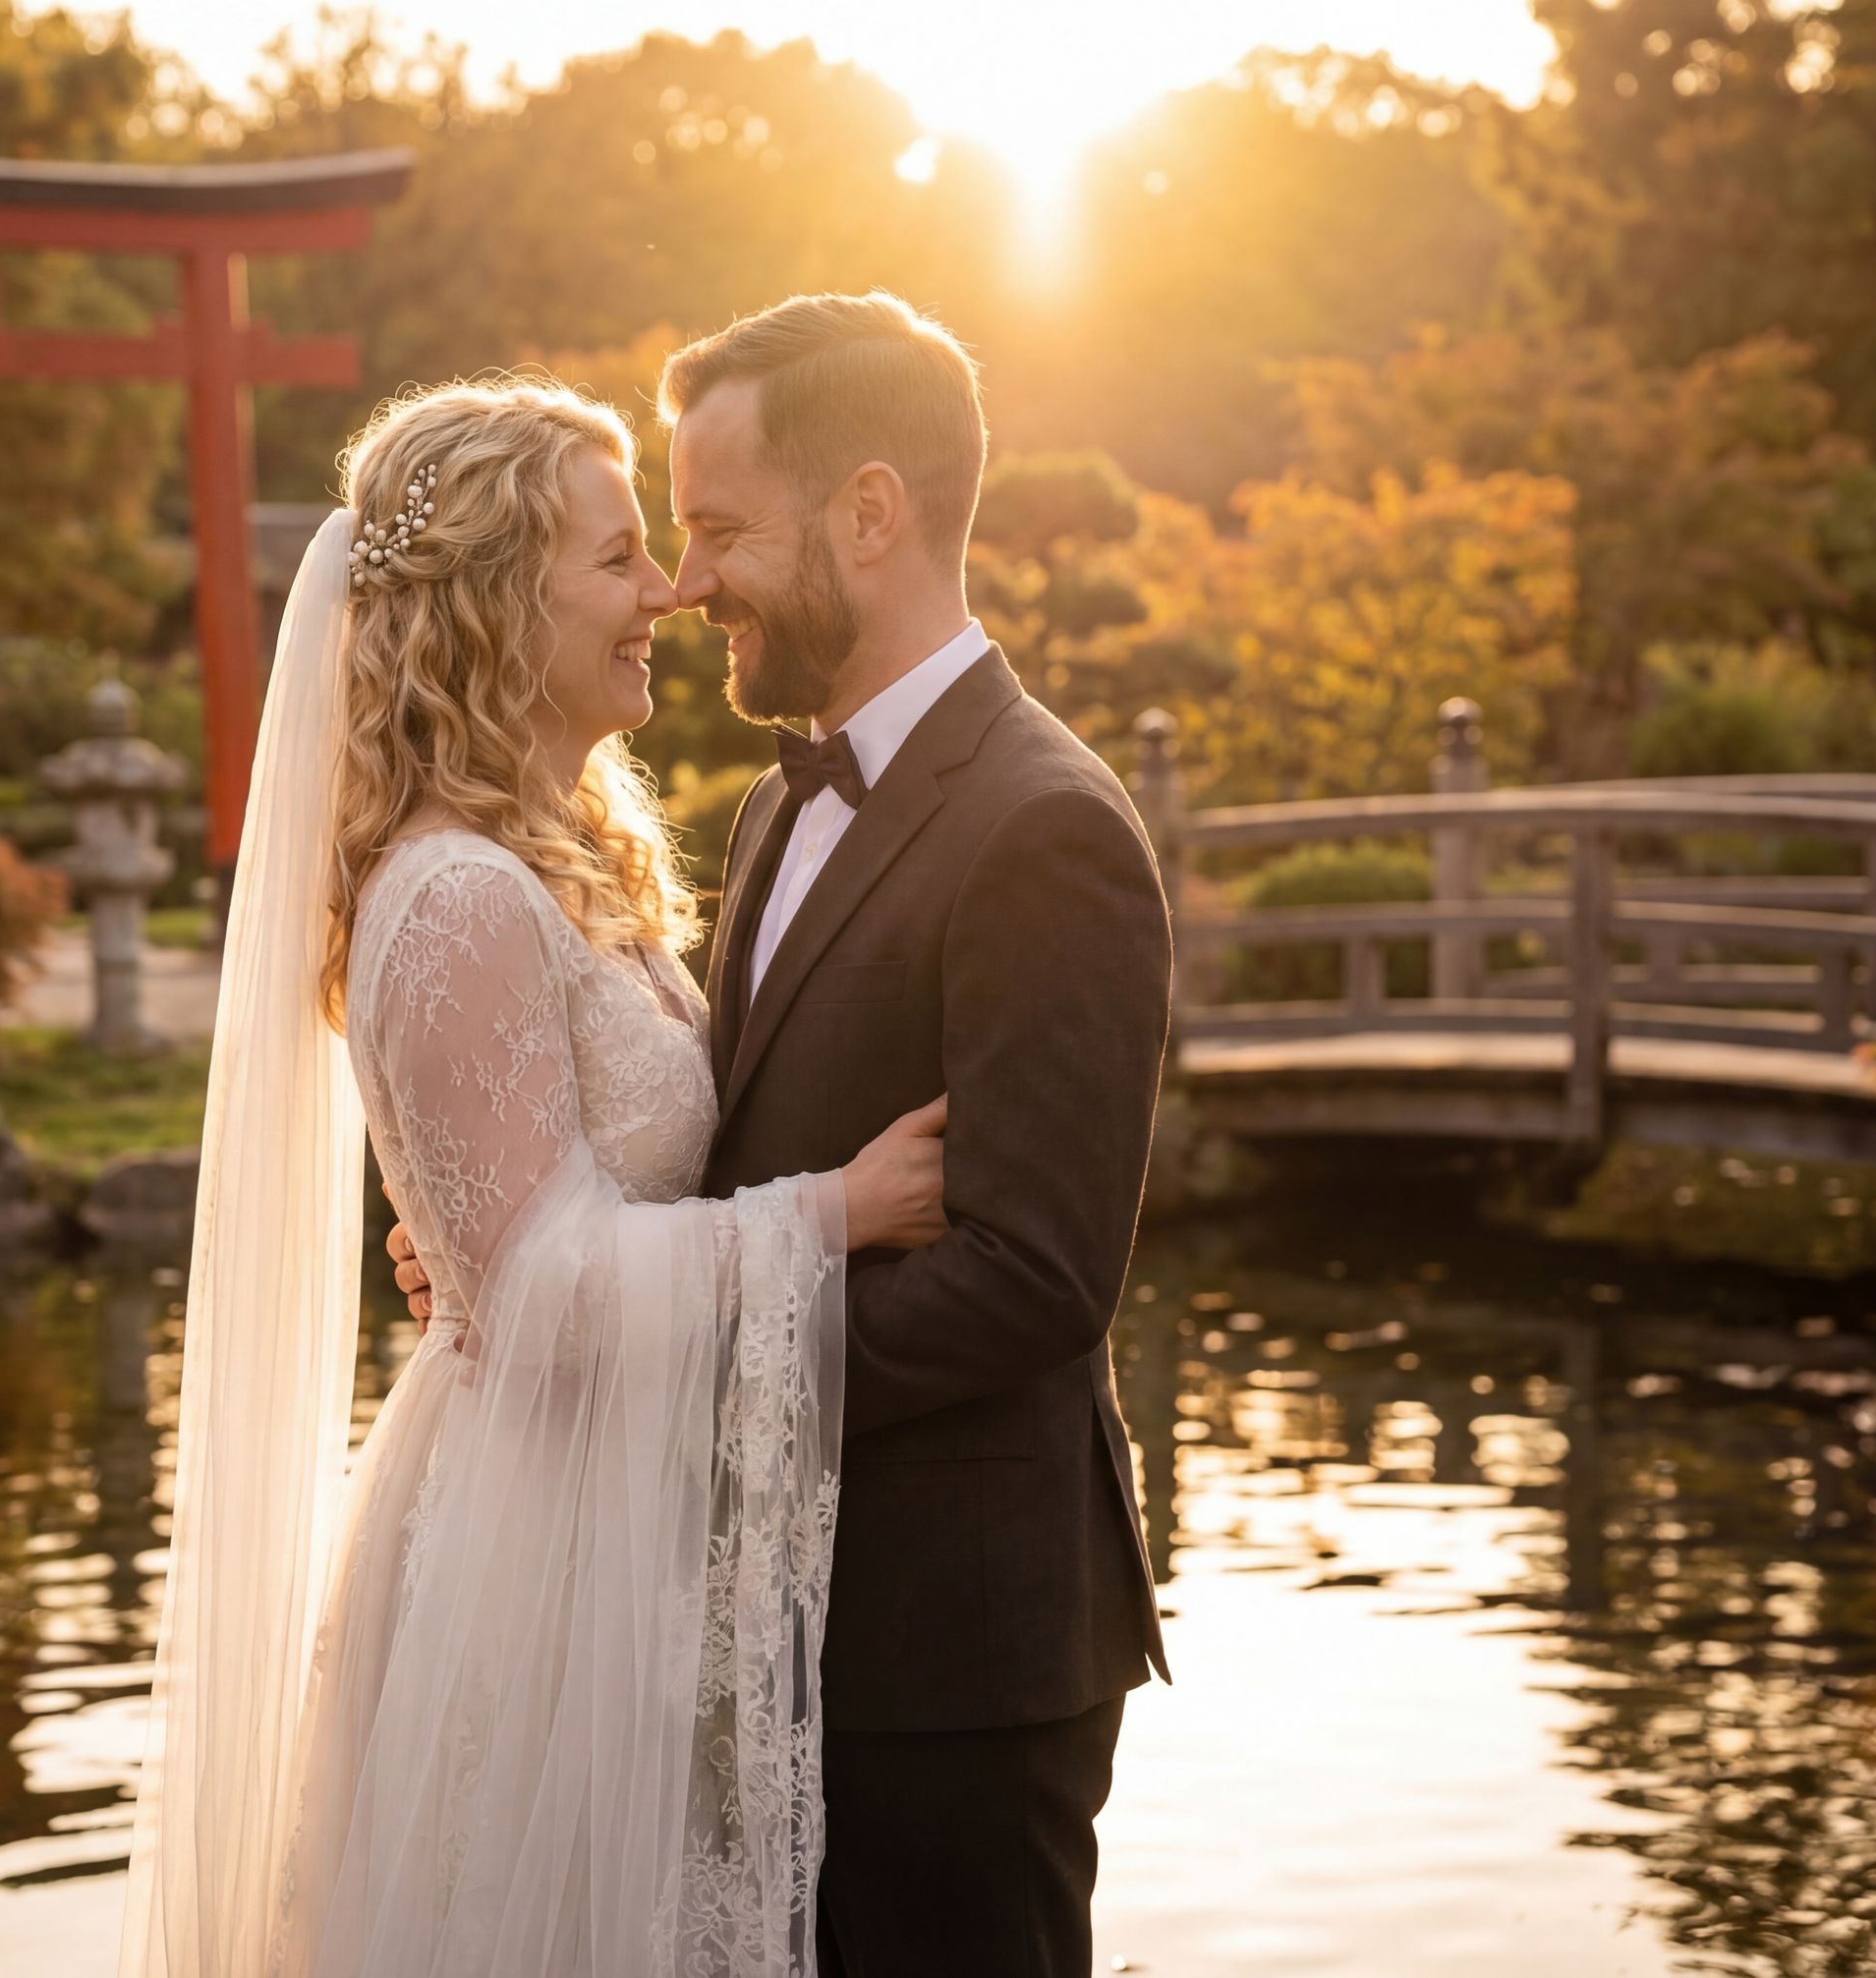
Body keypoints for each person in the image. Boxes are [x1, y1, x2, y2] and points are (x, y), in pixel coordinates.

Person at [117, 375, 950, 1978]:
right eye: (618, 558)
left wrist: (468, 1244)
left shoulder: (552, 863)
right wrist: (833, 1214)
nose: (667, 593)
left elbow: (532, 1216)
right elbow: (553, 1289)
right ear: (502, 601)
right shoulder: (455, 894)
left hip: (614, 1514)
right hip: (538, 1557)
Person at [392, 293, 1174, 1977]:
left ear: (868, 514)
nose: (687, 583)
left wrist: (665, 1381)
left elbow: (1034, 1280)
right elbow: (721, 1147)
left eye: (719, 529)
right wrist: (517, 1236)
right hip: (751, 1630)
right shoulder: (772, 802)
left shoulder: (1044, 826)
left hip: (950, 1651)